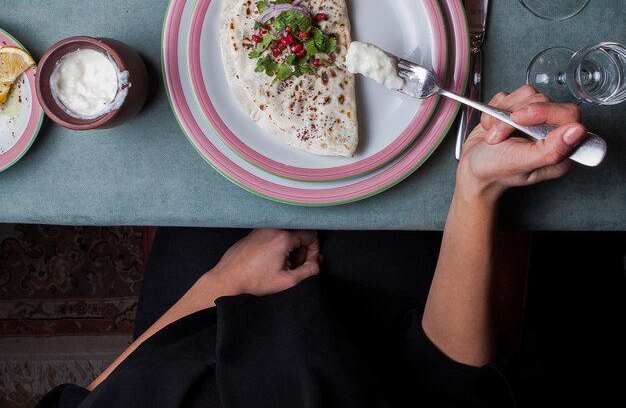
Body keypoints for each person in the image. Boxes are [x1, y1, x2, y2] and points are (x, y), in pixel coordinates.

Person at [36, 85, 587, 408]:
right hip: (378, 345)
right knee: (410, 157)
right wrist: (478, 187)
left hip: (189, 329)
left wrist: (221, 283)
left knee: (198, 136)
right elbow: (453, 387)